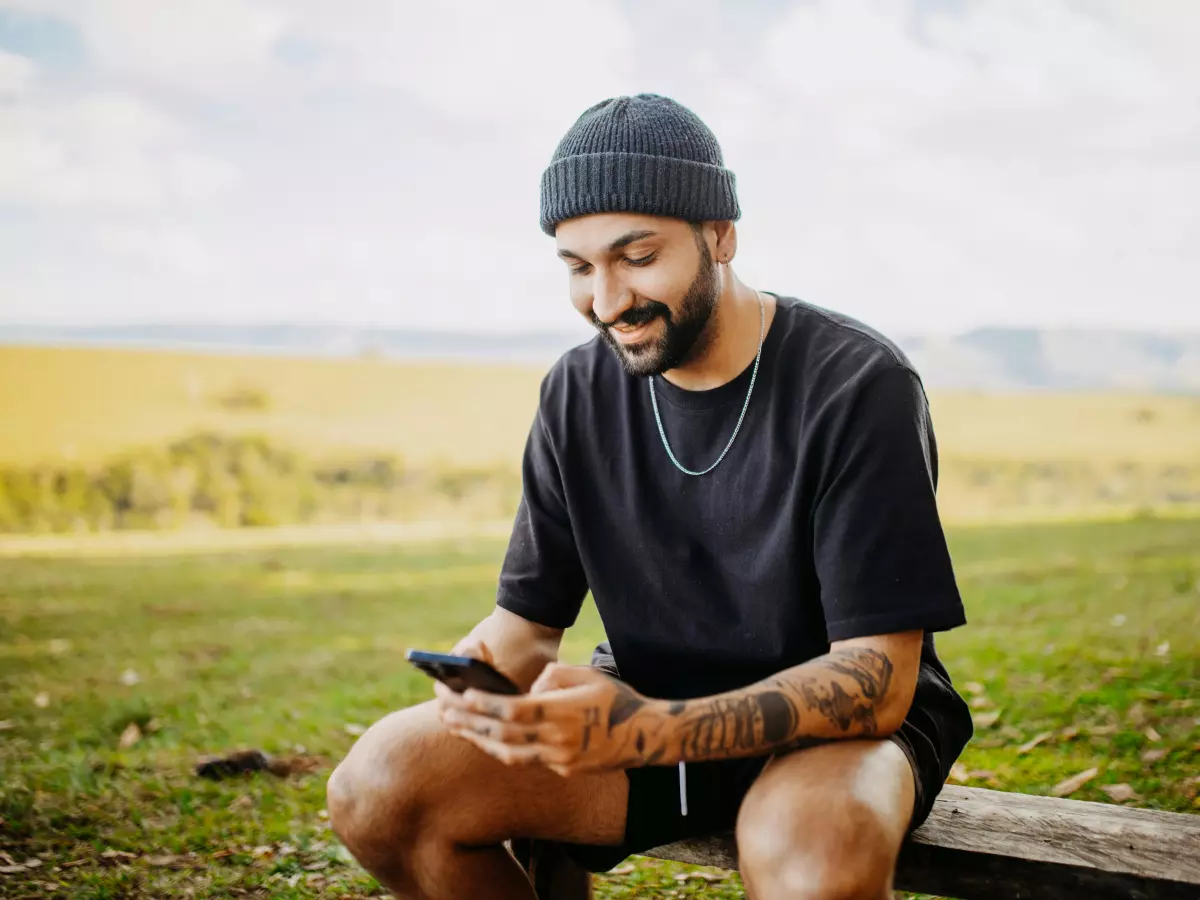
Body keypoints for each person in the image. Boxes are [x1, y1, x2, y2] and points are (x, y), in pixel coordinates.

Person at [326, 93, 973, 900]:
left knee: (807, 852)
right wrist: (480, 685)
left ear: (721, 235)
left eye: (636, 256)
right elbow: (524, 631)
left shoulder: (856, 383)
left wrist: (650, 730)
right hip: (642, 713)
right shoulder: (576, 392)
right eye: (577, 266)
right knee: (382, 786)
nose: (606, 301)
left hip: (836, 732)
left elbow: (876, 679)